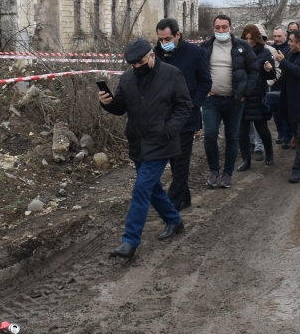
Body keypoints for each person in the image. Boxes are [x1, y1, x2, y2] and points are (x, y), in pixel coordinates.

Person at [100, 39, 192, 260]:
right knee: (152, 188)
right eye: (133, 64)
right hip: (138, 142)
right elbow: (120, 108)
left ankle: (130, 241)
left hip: (161, 142)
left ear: (152, 55)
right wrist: (107, 102)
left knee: (141, 189)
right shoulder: (127, 78)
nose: (137, 67)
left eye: (140, 62)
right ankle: (174, 220)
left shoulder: (172, 74)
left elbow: (184, 105)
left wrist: (168, 130)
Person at [155, 18, 212, 211]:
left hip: (187, 116)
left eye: (167, 38)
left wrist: (193, 104)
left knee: (180, 161)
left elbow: (205, 81)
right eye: (161, 39)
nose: (164, 43)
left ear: (177, 35)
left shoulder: (194, 53)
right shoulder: (156, 54)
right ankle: (185, 197)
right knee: (174, 159)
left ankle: (173, 205)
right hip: (164, 117)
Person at [199, 15, 257, 188]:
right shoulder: (205, 46)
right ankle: (213, 170)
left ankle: (227, 174)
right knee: (210, 135)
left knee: (232, 137)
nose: (221, 30)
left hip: (235, 100)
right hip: (211, 100)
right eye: (218, 27)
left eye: (224, 27)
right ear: (213, 28)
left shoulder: (243, 46)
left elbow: (254, 70)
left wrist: (246, 92)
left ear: (230, 28)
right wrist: (202, 89)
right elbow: (197, 70)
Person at [268, 30, 300, 183]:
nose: (289, 43)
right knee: (298, 135)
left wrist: (283, 62)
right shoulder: (291, 53)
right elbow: (287, 73)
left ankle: (297, 170)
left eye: (291, 41)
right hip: (292, 103)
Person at [237, 25, 276, 171]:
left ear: (257, 38)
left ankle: (269, 153)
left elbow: (271, 75)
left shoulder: (265, 53)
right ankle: (246, 159)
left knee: (262, 128)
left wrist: (269, 69)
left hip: (258, 95)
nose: (249, 41)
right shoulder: (238, 52)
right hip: (242, 95)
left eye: (251, 39)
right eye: (246, 38)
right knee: (242, 130)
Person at [270, 27, 293, 148]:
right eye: (275, 36)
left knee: (287, 110)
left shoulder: (290, 48)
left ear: (286, 35)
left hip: (287, 83)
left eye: (279, 36)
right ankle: (280, 132)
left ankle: (288, 136)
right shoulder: (271, 49)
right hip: (275, 83)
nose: (277, 39)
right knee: (276, 110)